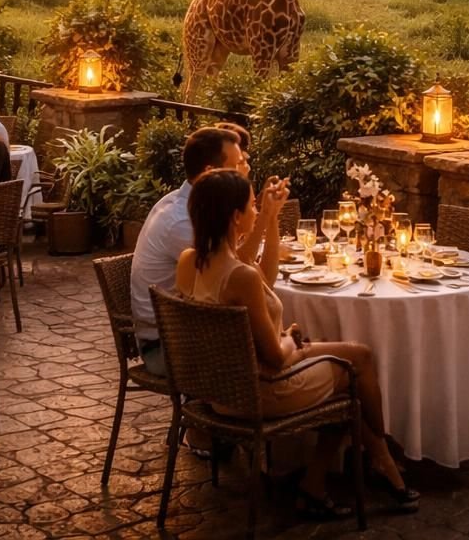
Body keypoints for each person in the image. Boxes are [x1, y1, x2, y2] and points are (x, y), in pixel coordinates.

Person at [176, 169, 418, 517]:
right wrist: (291, 339)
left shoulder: (191, 261)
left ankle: (346, 471)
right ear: (235, 217)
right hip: (260, 390)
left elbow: (265, 278)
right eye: (252, 206)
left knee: (355, 356)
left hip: (219, 392)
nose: (256, 211)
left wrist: (271, 218)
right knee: (353, 373)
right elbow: (275, 357)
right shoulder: (238, 274)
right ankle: (382, 458)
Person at [128, 126, 258, 375]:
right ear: (211, 172)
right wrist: (265, 221)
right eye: (239, 164)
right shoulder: (183, 221)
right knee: (271, 345)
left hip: (189, 334)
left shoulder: (186, 205)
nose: (246, 170)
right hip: (167, 347)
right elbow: (237, 271)